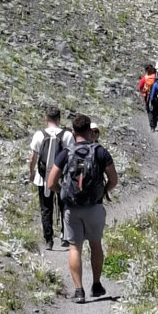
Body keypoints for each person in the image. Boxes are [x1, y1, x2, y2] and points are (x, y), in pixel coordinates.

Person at [45, 113, 118, 304]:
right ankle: (96, 284)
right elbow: (114, 179)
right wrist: (102, 191)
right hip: (94, 206)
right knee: (95, 244)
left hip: (72, 207)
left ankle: (79, 290)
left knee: (74, 247)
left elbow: (51, 181)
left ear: (73, 131)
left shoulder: (66, 153)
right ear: (89, 130)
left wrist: (63, 192)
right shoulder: (101, 152)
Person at [28, 106, 71, 252]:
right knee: (64, 205)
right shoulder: (67, 135)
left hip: (43, 177)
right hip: (62, 178)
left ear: (46, 119)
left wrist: (31, 173)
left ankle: (49, 240)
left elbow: (32, 157)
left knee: (46, 208)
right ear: (59, 119)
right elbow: (71, 156)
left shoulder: (39, 135)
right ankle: (65, 236)